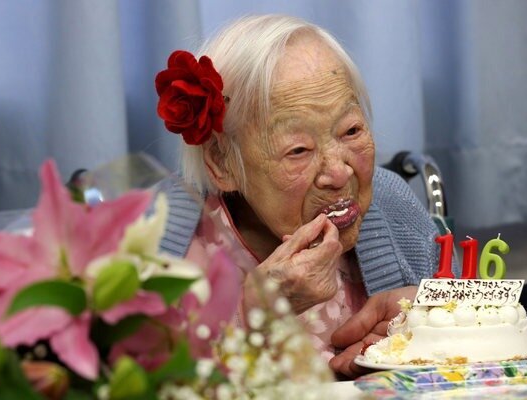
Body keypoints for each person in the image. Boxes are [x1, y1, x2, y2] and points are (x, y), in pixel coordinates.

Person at [154, 14, 458, 379]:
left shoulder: (393, 206)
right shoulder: (160, 242)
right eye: (298, 150)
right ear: (223, 162)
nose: (339, 172)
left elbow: (477, 352)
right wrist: (250, 315)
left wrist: (431, 322)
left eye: (351, 130)